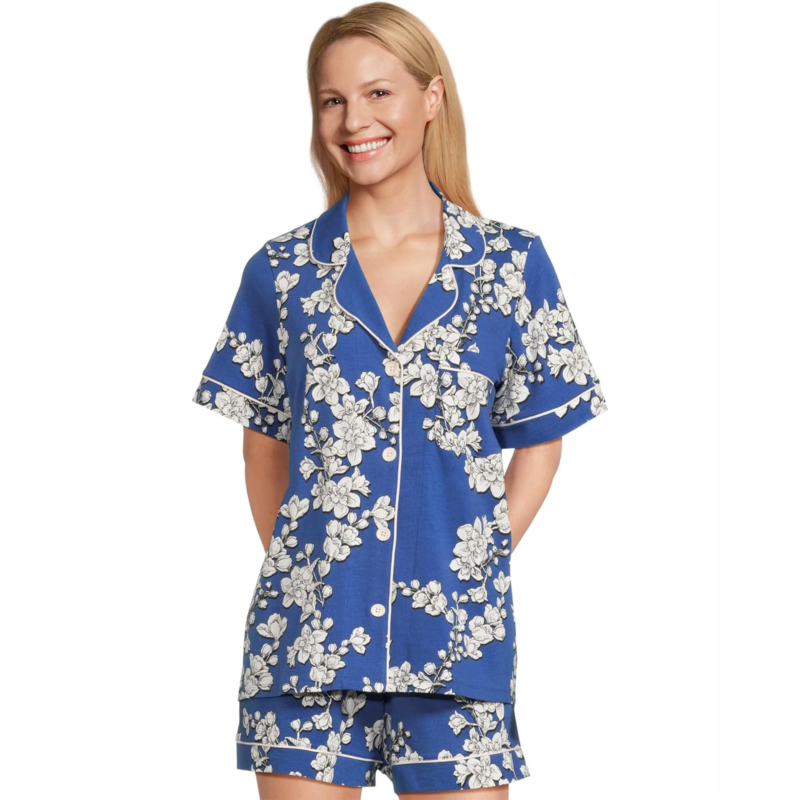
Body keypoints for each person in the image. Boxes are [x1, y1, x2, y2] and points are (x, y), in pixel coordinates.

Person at [190, 3, 607, 797]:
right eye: (333, 100)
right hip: (306, 647)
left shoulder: (510, 266)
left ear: (431, 97)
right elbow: (263, 450)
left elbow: (541, 439)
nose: (354, 121)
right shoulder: (281, 272)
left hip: (458, 650)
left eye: (378, 93)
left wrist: (472, 561)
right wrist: (317, 576)